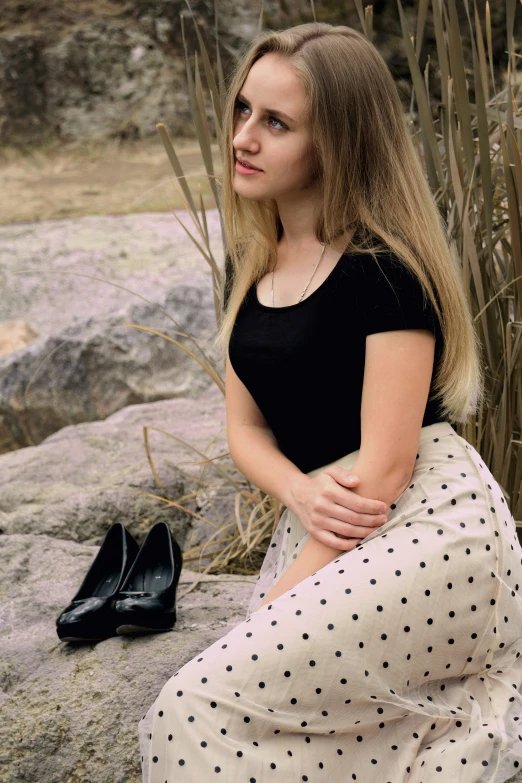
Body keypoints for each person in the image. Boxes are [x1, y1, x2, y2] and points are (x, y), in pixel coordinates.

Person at [138, 22, 522, 782]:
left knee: (192, 704)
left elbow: (380, 474)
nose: (243, 137)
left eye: (275, 122)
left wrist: (270, 611)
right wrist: (299, 490)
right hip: (324, 516)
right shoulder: (250, 266)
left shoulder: (384, 269)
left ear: (338, 142)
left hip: (422, 524)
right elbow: (245, 428)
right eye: (243, 110)